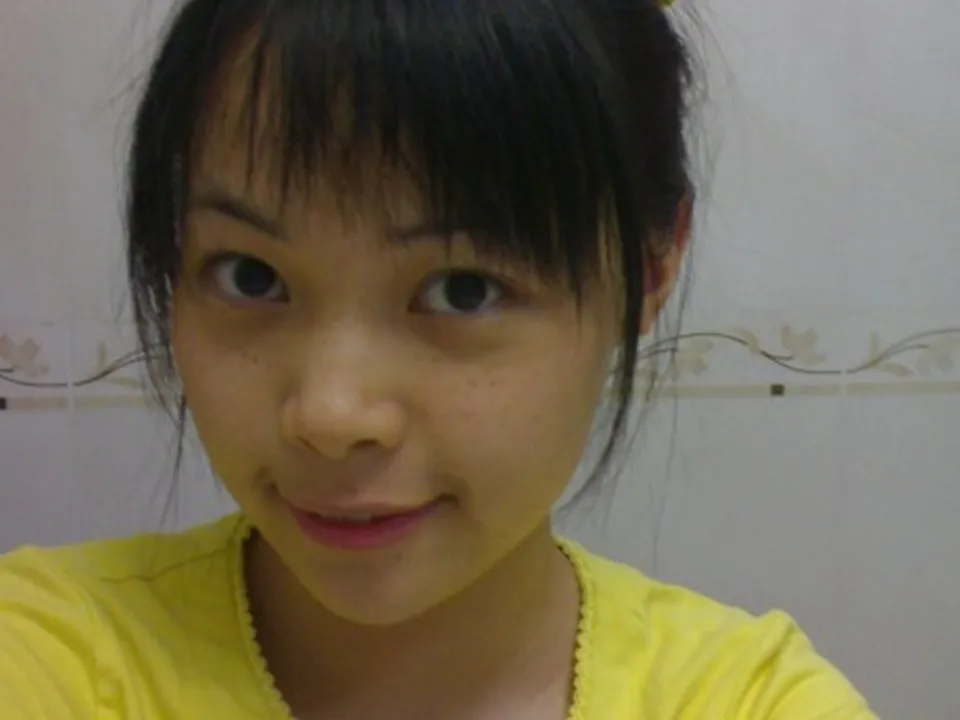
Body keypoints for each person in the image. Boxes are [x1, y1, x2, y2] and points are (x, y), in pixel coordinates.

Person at [0, 1, 877, 718]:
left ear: (651, 267)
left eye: (464, 289)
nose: (331, 415)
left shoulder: (745, 701)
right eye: (250, 276)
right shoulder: (51, 658)